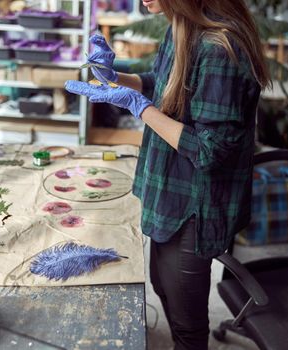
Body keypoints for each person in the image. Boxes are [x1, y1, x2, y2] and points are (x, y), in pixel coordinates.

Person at [65, 0, 270, 348]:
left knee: (187, 322)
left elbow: (211, 151)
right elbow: (162, 84)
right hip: (169, 190)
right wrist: (116, 79)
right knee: (162, 285)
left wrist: (139, 108)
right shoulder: (181, 26)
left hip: (194, 204)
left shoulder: (219, 47)